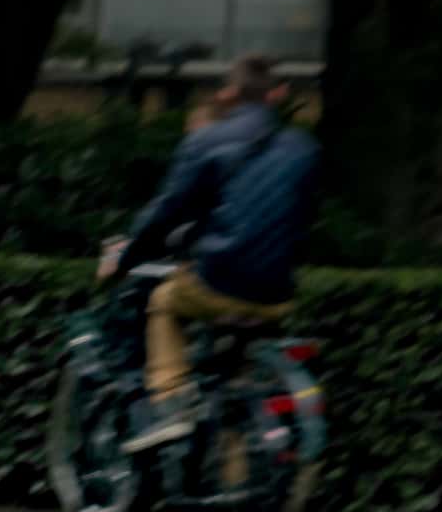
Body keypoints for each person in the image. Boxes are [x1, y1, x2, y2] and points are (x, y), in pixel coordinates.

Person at [103, 53, 322, 452]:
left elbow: (167, 211)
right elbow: (304, 215)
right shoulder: (303, 147)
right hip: (278, 292)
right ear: (279, 94)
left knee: (163, 301)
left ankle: (171, 402)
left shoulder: (205, 140)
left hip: (220, 281)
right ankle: (238, 471)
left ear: (228, 93)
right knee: (234, 377)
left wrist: (126, 257)